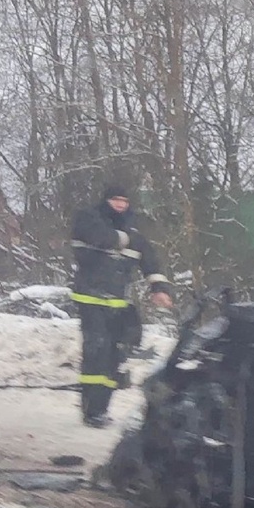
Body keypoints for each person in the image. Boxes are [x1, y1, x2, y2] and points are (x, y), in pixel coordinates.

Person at [70, 181, 172, 427]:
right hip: (91, 298)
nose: (120, 204)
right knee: (97, 351)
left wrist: (158, 288)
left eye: (124, 201)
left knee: (117, 354)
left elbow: (150, 261)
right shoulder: (88, 218)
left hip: (118, 301)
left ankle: (101, 406)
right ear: (106, 200)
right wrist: (126, 238)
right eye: (116, 200)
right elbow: (100, 238)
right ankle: (92, 410)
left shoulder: (134, 230)